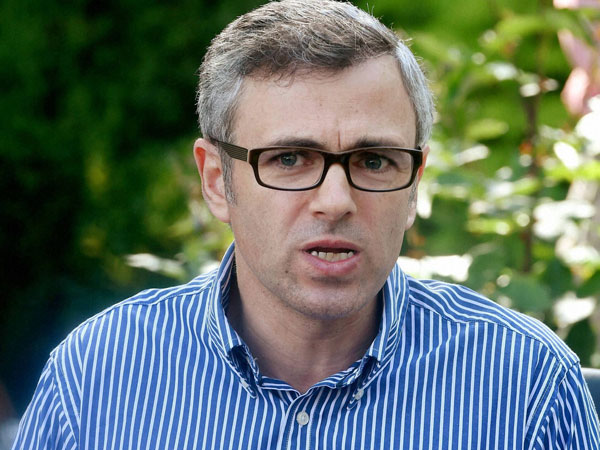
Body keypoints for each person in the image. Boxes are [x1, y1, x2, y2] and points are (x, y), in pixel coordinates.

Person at [12, 0, 600, 448]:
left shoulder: (525, 387)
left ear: (415, 181)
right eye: (290, 159)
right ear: (217, 180)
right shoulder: (99, 378)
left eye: (374, 160)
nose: (335, 201)